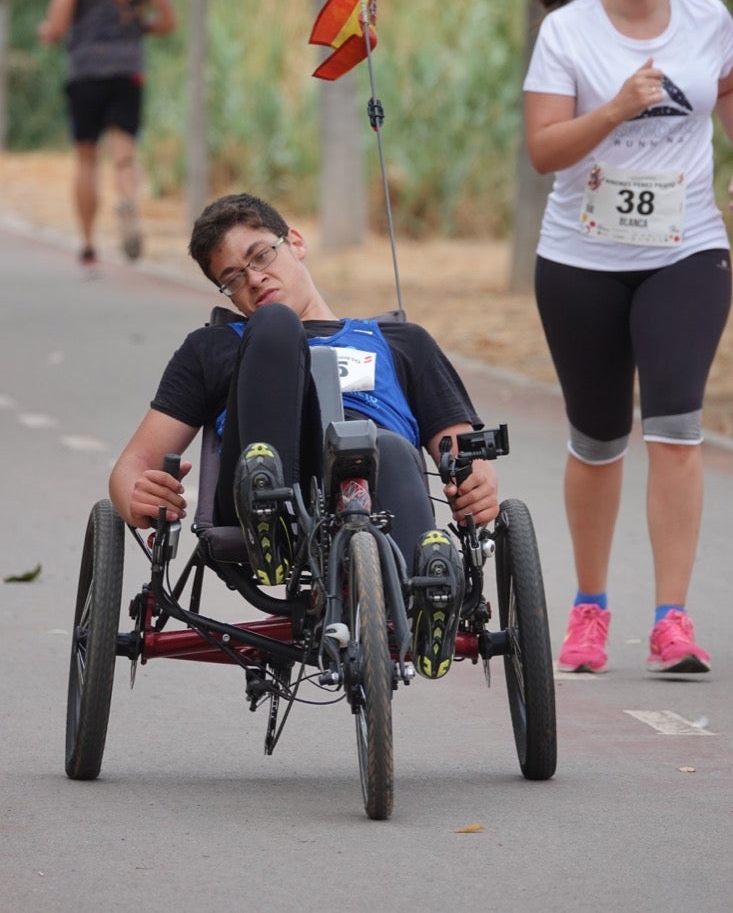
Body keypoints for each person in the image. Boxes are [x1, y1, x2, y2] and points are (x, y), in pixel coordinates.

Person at [108, 193, 500, 678]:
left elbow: (463, 455)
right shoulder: (213, 348)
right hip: (270, 480)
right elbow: (131, 466)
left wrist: (478, 485)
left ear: (294, 242)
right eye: (232, 279)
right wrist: (137, 495)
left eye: (260, 256)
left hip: (379, 481)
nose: (253, 279)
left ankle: (426, 600)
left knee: (387, 446)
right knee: (275, 324)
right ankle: (268, 512)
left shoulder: (403, 343)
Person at [523, 0, 733, 675]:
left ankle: (671, 620)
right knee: (598, 440)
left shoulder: (708, 19)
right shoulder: (567, 33)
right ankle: (589, 611)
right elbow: (544, 149)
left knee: (675, 429)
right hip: (580, 261)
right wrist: (613, 107)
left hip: (687, 250)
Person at [37, 0, 176, 266]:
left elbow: (57, 26)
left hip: (86, 72)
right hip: (127, 70)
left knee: (87, 159)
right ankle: (128, 202)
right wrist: (136, 29)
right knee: (124, 155)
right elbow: (167, 21)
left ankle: (87, 244)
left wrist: (46, 31)